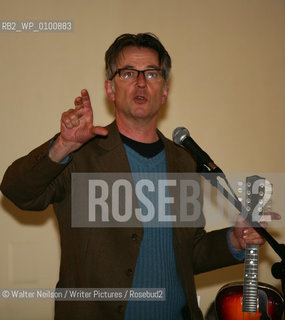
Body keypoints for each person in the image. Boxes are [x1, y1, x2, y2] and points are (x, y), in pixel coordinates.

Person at [1, 33, 270, 320]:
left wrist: (235, 241)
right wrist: (62, 146)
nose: (141, 82)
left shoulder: (183, 160)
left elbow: (187, 253)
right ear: (110, 89)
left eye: (152, 73)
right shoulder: (81, 154)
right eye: (128, 73)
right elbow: (17, 191)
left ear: (164, 91)